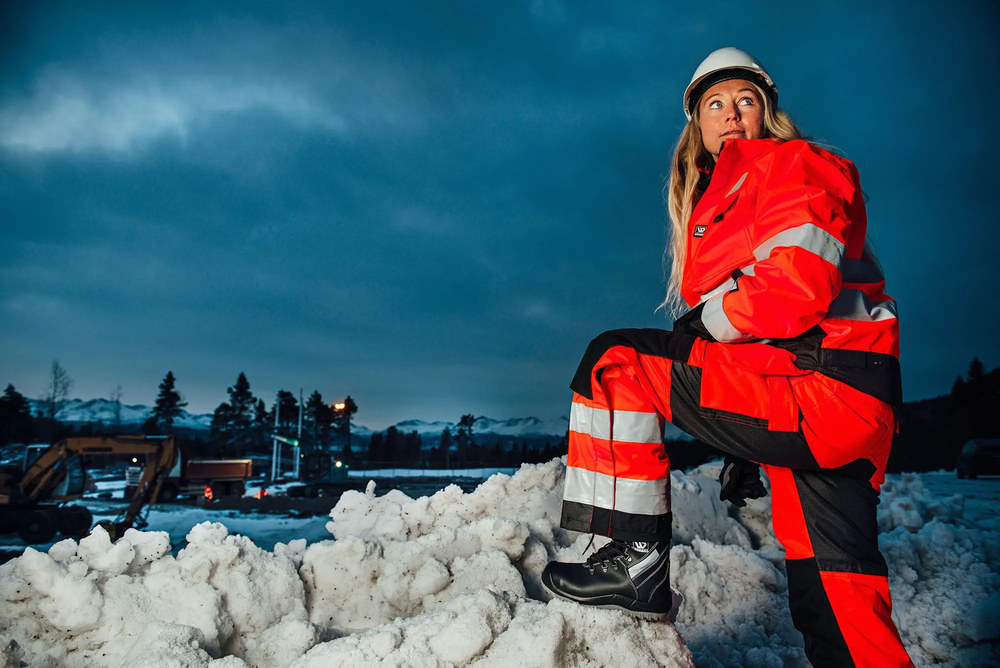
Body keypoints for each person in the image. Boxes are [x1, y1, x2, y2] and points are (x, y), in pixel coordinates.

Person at [541, 47, 913, 667]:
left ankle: (633, 559)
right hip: (849, 400)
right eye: (715, 103)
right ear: (697, 124)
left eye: (746, 100)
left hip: (820, 392)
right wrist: (744, 443)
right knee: (836, 599)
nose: (731, 112)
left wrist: (701, 327)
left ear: (767, 113)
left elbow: (796, 287)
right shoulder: (732, 194)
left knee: (618, 363)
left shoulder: (788, 163)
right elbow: (772, 327)